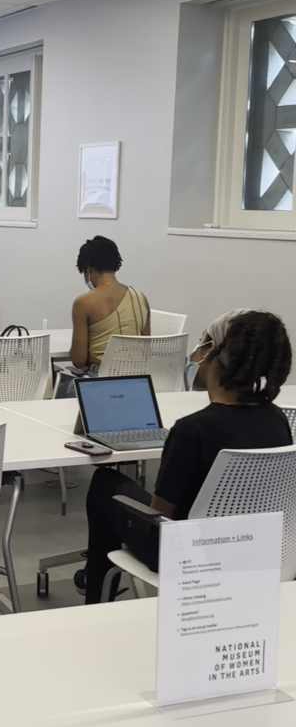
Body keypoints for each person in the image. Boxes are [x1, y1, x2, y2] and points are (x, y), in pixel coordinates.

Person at [79, 310, 293, 604]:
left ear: (214, 354)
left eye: (202, 342)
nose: (195, 353)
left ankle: (96, 596)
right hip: (256, 549)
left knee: (105, 483)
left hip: (188, 555)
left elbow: (159, 512)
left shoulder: (192, 430)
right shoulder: (277, 419)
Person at [70, 236, 150, 370]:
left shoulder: (83, 303)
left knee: (61, 386)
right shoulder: (141, 298)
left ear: (87, 269)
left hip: (102, 377)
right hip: (137, 377)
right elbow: (145, 349)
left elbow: (78, 360)